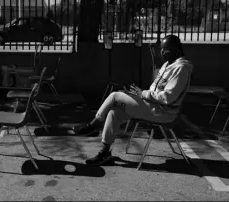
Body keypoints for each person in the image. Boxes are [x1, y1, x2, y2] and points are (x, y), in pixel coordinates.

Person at [74, 34, 194, 166]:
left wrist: (143, 94)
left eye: (165, 49)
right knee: (115, 112)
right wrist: (138, 95)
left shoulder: (181, 69)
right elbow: (155, 90)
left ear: (176, 51)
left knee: (115, 95)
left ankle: (93, 125)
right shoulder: (167, 65)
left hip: (163, 112)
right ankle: (105, 152)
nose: (162, 52)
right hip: (152, 106)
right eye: (161, 48)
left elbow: (168, 97)